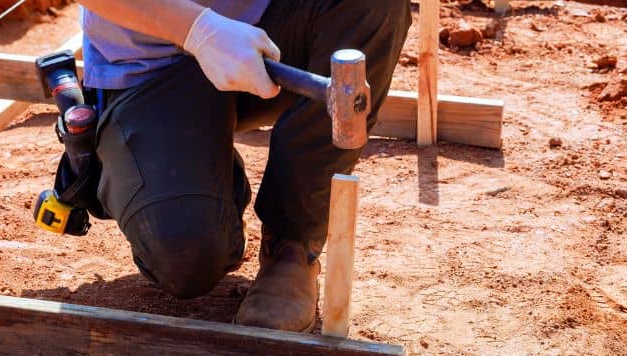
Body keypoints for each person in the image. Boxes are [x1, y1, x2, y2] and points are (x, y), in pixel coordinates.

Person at [76, 0, 410, 331]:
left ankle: (291, 247)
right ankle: (186, 171)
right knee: (188, 257)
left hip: (261, 39)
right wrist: (199, 30)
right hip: (148, 65)